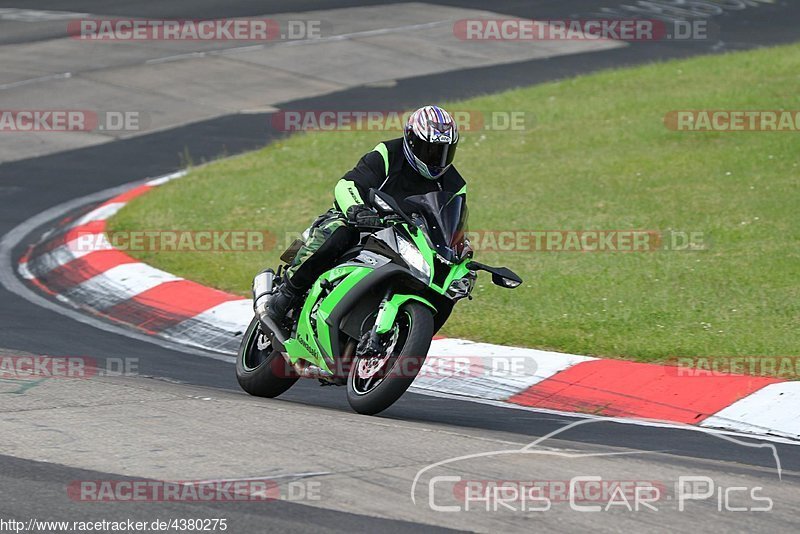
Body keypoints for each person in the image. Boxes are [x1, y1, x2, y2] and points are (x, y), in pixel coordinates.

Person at [266, 105, 466, 323]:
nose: (437, 159)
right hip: (364, 222)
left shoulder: (455, 184)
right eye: (430, 150)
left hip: (409, 240)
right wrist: (357, 210)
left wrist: (459, 247)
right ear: (410, 140)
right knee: (339, 233)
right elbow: (348, 184)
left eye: (445, 151)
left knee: (445, 289)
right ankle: (286, 295)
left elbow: (453, 225)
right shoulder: (388, 153)